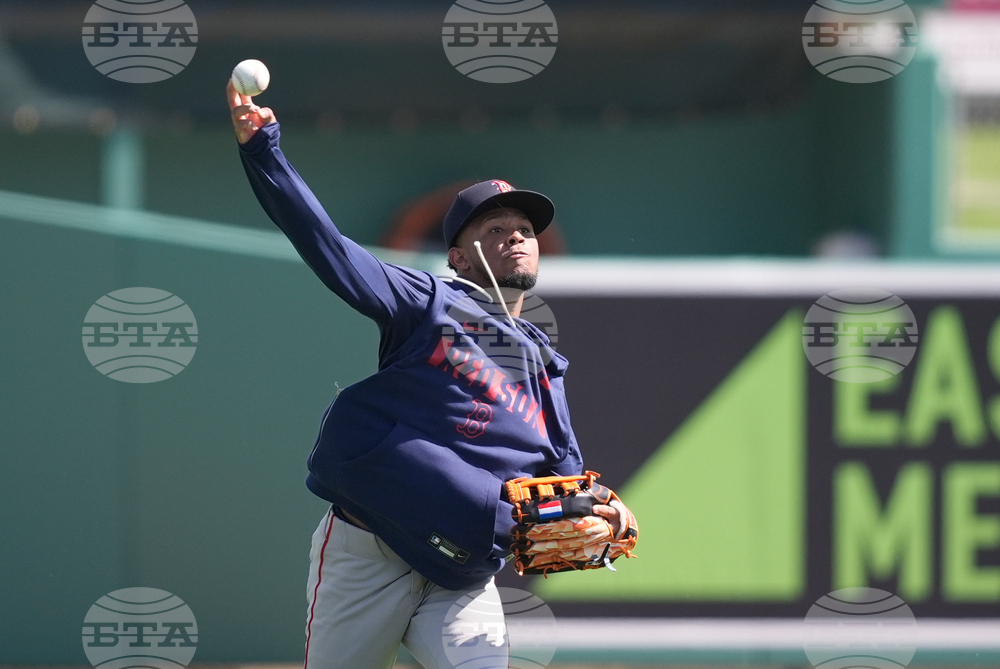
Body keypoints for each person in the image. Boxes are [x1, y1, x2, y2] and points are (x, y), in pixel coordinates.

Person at [228, 82, 630, 669]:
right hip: (370, 554)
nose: (516, 235)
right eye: (493, 229)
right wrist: (263, 150)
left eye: (523, 228)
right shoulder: (426, 302)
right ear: (460, 257)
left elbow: (566, 474)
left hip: (460, 575)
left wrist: (601, 505)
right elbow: (328, 248)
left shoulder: (544, 366)